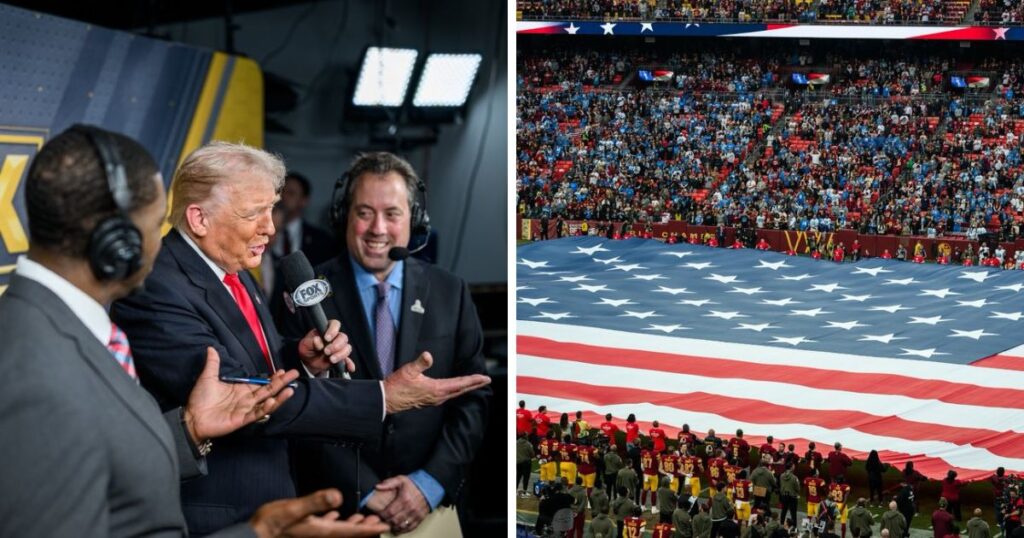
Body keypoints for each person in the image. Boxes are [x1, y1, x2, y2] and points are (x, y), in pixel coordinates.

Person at [0, 126, 388, 537]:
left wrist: (189, 430)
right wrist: (254, 534)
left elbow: (112, 468)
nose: (160, 243)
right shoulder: (28, 364)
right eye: (154, 224)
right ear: (116, 245)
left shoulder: (61, 330)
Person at [111, 142, 490, 533]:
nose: (271, 227)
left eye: (270, 210)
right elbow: (240, 396)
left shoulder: (237, 270)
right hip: (215, 519)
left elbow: (264, 369)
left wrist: (303, 362)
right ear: (199, 218)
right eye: (254, 213)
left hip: (269, 506)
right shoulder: (156, 286)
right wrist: (382, 396)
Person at [273, 171, 338, 266]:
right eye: (281, 192)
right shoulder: (265, 233)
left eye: (291, 193)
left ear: (304, 201)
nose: (284, 197)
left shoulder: (321, 240)